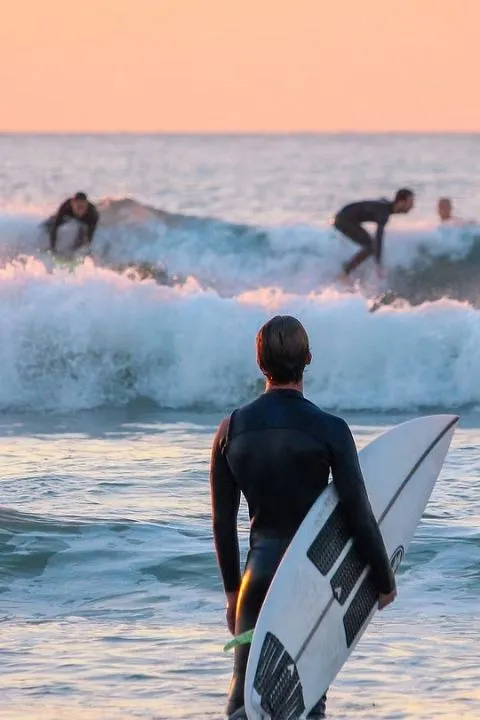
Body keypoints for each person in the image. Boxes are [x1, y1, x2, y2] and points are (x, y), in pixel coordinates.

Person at [210, 315, 397, 720]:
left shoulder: (231, 429)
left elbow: (223, 525)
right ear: (308, 359)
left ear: (260, 364)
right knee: (305, 702)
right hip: (307, 579)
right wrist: (382, 580)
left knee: (245, 704)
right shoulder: (330, 429)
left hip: (255, 582)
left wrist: (231, 593)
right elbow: (357, 512)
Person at [334, 188, 414, 282]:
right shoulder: (384, 212)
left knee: (370, 245)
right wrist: (378, 264)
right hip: (343, 219)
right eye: (410, 203)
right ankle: (344, 274)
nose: (412, 206)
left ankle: (346, 271)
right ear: (401, 202)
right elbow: (378, 237)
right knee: (370, 246)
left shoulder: (385, 206)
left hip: (344, 217)